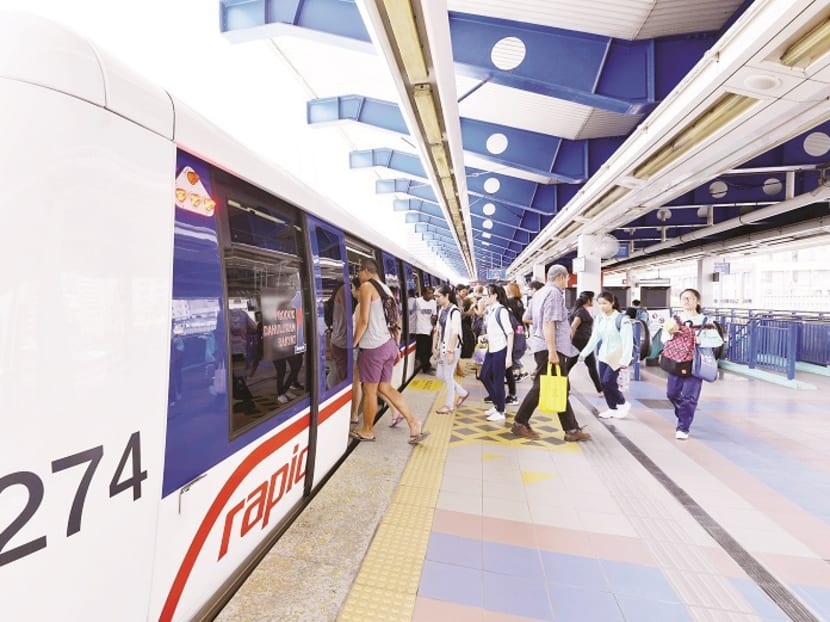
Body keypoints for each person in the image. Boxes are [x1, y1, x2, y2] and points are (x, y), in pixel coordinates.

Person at [351, 259, 427, 444]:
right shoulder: (386, 290)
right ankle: (413, 422)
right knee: (385, 387)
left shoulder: (367, 287)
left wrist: (353, 343)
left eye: (359, 273)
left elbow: (363, 321)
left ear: (365, 271)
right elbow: (397, 320)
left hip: (373, 348)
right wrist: (396, 345)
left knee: (370, 391)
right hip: (388, 344)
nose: (359, 278)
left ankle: (368, 430)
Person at [512, 265, 591, 441]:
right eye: (567, 279)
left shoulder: (539, 293)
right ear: (561, 277)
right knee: (542, 387)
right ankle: (520, 422)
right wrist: (552, 351)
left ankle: (571, 429)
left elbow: (527, 318)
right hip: (551, 348)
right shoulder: (554, 294)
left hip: (543, 346)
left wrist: (541, 329)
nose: (567, 282)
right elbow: (549, 322)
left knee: (559, 386)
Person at [661, 288, 723, 440]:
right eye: (684, 299)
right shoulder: (674, 319)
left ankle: (683, 427)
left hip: (695, 364)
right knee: (672, 393)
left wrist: (701, 340)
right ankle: (684, 414)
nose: (687, 301)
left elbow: (718, 341)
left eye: (690, 298)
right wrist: (671, 333)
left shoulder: (705, 322)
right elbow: (664, 339)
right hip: (676, 362)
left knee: (689, 397)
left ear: (698, 301)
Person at [578, 291, 633, 419]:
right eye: (600, 304)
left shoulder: (622, 319)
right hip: (603, 356)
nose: (602, 306)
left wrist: (625, 360)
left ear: (612, 303)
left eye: (605, 303)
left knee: (608, 381)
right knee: (603, 383)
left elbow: (628, 341)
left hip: (617, 356)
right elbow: (595, 337)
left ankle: (623, 403)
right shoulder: (600, 318)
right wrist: (584, 353)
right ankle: (612, 408)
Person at [479, 284, 514, 422]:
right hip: (491, 349)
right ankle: (497, 403)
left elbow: (510, 333)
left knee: (498, 381)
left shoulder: (501, 311)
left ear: (495, 296)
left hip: (500, 350)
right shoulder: (491, 310)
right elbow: (494, 330)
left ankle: (501, 411)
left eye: (487, 295)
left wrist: (509, 356)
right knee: (484, 376)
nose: (485, 298)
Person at [432, 285, 469, 414]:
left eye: (438, 296)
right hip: (442, 348)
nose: (436, 299)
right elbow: (437, 329)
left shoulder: (455, 311)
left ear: (447, 295)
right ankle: (463, 393)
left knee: (448, 377)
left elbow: (455, 333)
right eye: (435, 296)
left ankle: (449, 406)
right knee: (441, 375)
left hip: (451, 349)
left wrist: (451, 352)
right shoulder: (442, 310)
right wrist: (434, 347)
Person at [569, 291, 603, 396]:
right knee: (591, 366)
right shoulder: (581, 312)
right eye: (592, 299)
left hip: (580, 342)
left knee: (568, 366)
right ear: (588, 300)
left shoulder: (581, 310)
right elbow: (573, 326)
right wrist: (569, 341)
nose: (593, 301)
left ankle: (600, 390)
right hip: (581, 343)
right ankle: (600, 390)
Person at [412, 286, 437, 373]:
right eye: (428, 293)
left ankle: (428, 365)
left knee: (429, 350)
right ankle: (426, 368)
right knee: (423, 350)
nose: (431, 295)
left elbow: (434, 314)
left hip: (429, 329)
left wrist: (434, 318)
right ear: (423, 293)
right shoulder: (417, 301)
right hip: (420, 330)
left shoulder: (433, 302)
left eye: (432, 293)